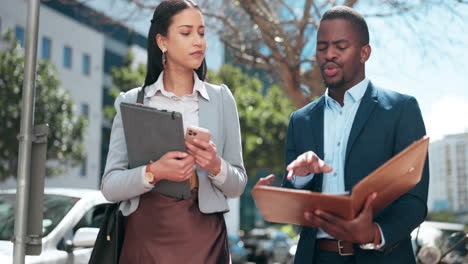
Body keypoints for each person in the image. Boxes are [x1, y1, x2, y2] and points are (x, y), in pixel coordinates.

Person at [278, 6, 429, 264]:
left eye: (340, 46)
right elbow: (292, 210)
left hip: (380, 257)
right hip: (315, 258)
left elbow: (414, 200)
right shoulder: (300, 120)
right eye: (322, 47)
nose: (329, 55)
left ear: (364, 53)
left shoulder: (401, 110)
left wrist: (374, 233)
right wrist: (300, 179)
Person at [100, 1, 247, 263]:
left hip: (205, 239)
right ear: (162, 41)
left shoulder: (222, 99)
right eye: (186, 32)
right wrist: (154, 172)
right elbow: (110, 186)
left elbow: (237, 185)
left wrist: (214, 165)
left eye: (202, 33)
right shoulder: (131, 101)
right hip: (144, 237)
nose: (198, 41)